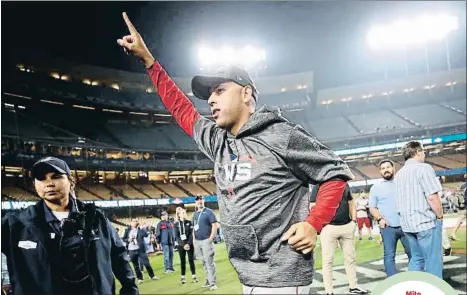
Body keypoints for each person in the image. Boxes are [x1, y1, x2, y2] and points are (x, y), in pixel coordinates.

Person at [117, 13, 354, 294]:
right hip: (247, 275)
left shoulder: (282, 134)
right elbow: (182, 110)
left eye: (219, 90)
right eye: (209, 95)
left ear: (246, 93)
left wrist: (313, 224)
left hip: (282, 278)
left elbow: (335, 173)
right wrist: (149, 62)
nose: (212, 100)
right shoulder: (219, 140)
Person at [1, 157, 139, 294]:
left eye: (55, 177)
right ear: (35, 185)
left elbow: (120, 260)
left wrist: (131, 290)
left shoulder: (96, 218)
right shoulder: (16, 223)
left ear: (71, 181)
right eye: (41, 179)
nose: (48, 183)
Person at [395, 141, 444, 278]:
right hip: (425, 223)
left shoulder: (399, 174)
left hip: (407, 225)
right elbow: (432, 197)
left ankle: (413, 289)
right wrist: (440, 216)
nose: (424, 154)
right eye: (423, 151)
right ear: (417, 152)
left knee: (416, 259)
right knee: (433, 260)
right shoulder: (423, 168)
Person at [310, 185, 368, 294]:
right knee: (327, 260)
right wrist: (321, 226)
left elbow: (351, 202)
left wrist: (354, 221)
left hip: (346, 226)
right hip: (328, 228)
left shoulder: (344, 184)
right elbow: (313, 207)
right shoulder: (318, 185)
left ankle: (353, 286)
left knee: (350, 258)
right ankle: (329, 291)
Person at [369, 159, 411, 277]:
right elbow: (372, 207)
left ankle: (416, 279)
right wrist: (380, 219)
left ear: (393, 168)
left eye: (388, 167)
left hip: (406, 225)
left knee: (413, 253)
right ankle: (392, 282)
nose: (386, 170)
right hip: (388, 227)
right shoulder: (375, 188)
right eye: (383, 168)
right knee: (389, 255)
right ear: (380, 172)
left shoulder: (403, 183)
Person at [192, 196, 219, 290]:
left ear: (203, 201)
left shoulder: (209, 212)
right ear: (195, 202)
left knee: (209, 262)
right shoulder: (195, 214)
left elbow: (215, 225)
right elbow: (194, 227)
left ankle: (213, 283)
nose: (199, 201)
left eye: (201, 199)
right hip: (197, 242)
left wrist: (210, 239)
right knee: (203, 262)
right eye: (197, 200)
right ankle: (208, 280)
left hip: (206, 241)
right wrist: (194, 239)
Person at [123, 218, 160, 283]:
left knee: (146, 263)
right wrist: (128, 240)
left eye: (137, 221)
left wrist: (142, 228)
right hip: (131, 250)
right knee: (135, 265)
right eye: (134, 221)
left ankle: (152, 276)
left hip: (140, 249)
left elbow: (145, 235)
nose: (136, 222)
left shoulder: (140, 230)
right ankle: (140, 278)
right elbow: (124, 239)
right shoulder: (127, 230)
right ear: (131, 223)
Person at [174, 207, 198, 284]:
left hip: (189, 244)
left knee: (191, 260)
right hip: (181, 245)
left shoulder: (189, 222)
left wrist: (188, 243)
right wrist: (183, 244)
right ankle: (183, 277)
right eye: (183, 213)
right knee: (182, 261)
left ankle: (194, 276)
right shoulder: (176, 224)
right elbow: (177, 236)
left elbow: (191, 234)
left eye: (185, 213)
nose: (184, 214)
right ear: (178, 215)